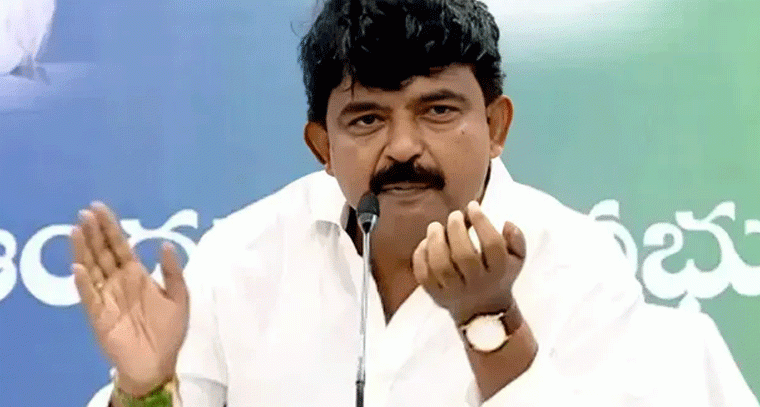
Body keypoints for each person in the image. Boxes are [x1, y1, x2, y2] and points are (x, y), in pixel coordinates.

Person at [71, 0, 759, 406]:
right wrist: (144, 387)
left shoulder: (577, 265)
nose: (402, 147)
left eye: (437, 110)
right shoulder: (242, 259)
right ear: (322, 146)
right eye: (367, 119)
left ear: (495, 127)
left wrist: (491, 320)